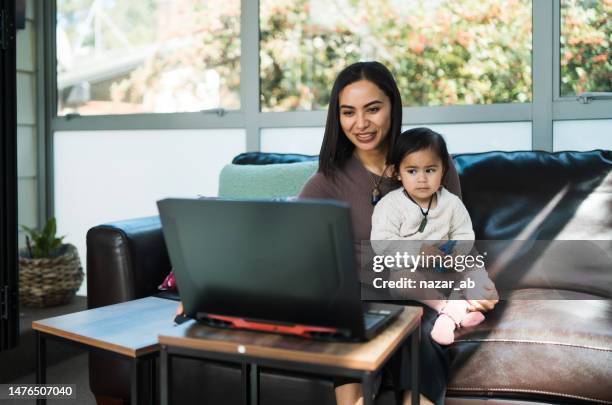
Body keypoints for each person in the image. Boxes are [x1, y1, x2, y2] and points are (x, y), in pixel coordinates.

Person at [299, 61, 498, 405]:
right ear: (337, 117)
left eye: (373, 109)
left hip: (422, 294)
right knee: (351, 335)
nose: (361, 124)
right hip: (359, 299)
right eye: (348, 112)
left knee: (423, 336)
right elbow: (289, 251)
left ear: (393, 105)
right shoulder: (325, 183)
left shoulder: (430, 164)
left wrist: (478, 278)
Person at [371, 128, 493, 346]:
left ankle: (460, 309)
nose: (422, 179)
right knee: (400, 278)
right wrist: (419, 251)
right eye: (412, 171)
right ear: (396, 172)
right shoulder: (390, 205)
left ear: (443, 170)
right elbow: (382, 243)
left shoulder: (451, 203)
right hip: (415, 273)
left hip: (449, 267)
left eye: (430, 170)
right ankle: (447, 310)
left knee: (477, 274)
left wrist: (457, 253)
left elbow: (464, 233)